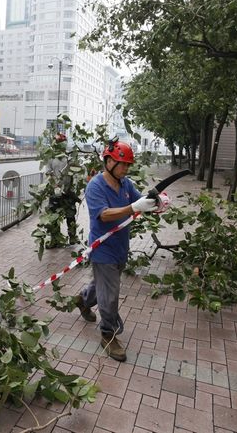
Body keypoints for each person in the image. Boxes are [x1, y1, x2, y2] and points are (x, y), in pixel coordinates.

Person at [74, 139, 161, 361]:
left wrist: (154, 203)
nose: (126, 168)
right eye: (123, 164)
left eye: (128, 165)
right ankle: (108, 335)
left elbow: (139, 200)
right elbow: (103, 214)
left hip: (121, 247)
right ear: (109, 161)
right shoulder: (95, 186)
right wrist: (133, 208)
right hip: (102, 249)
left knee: (101, 286)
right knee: (110, 295)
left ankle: (84, 300)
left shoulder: (125, 184)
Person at [43, 132, 81, 247]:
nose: (61, 145)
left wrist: (75, 185)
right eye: (59, 143)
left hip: (68, 192)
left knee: (70, 215)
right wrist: (54, 186)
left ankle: (73, 237)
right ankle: (55, 239)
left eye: (62, 143)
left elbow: (75, 173)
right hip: (55, 192)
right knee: (54, 216)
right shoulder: (50, 158)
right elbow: (48, 173)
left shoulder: (69, 157)